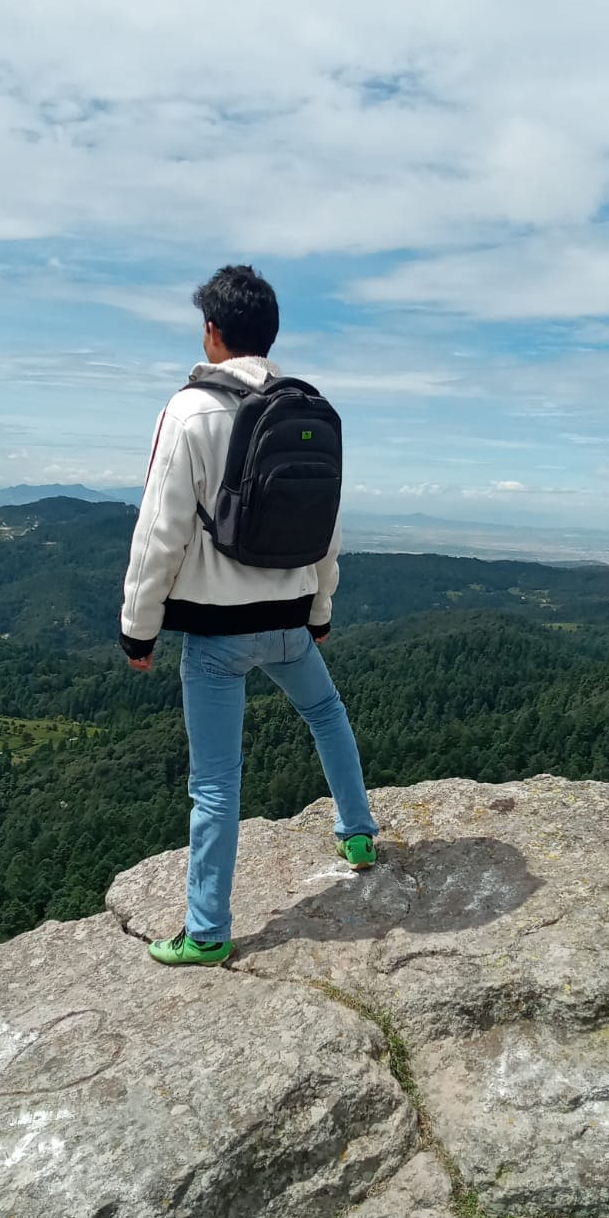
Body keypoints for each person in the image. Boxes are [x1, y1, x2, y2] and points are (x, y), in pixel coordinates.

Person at [119, 264, 379, 966]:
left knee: (215, 781)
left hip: (216, 632)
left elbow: (159, 531)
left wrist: (137, 628)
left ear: (211, 331)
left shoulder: (189, 411)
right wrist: (320, 609)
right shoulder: (309, 412)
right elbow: (327, 529)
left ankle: (207, 931)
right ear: (270, 334)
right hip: (291, 621)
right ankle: (358, 834)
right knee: (327, 715)